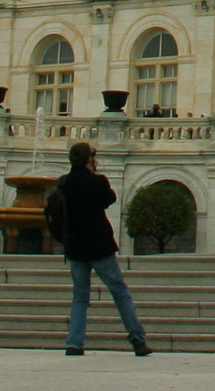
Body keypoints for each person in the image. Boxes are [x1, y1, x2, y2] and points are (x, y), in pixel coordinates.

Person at [49, 142, 151, 357]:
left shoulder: (64, 183)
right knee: (120, 292)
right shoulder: (97, 181)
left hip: (75, 247)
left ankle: (74, 343)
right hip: (99, 245)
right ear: (89, 160)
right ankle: (137, 339)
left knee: (80, 296)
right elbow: (110, 199)